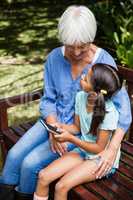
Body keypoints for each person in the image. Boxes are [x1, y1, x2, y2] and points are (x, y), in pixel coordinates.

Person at [0, 5, 132, 200]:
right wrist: (53, 127)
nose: (77, 52)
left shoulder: (103, 62)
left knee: (30, 164)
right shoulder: (54, 58)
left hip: (81, 132)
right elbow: (48, 100)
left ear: (91, 39)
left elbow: (124, 112)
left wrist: (111, 149)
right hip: (54, 122)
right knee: (13, 156)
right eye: (71, 46)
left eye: (83, 46)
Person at [34, 63, 122, 200]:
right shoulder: (81, 96)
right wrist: (59, 127)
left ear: (95, 89)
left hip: (101, 159)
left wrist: (70, 139)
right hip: (84, 149)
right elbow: (76, 128)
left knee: (61, 186)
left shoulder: (109, 113)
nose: (82, 77)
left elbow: (99, 148)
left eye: (86, 79)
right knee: (43, 176)